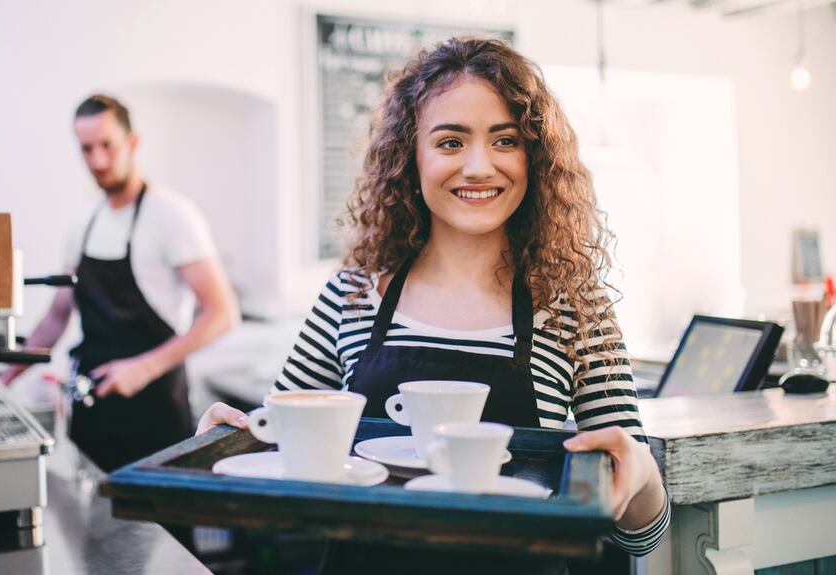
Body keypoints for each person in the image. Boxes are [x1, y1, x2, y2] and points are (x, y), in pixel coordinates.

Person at [199, 37, 668, 574]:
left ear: (533, 156)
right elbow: (280, 455)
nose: (478, 166)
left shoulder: (575, 306)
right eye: (450, 142)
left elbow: (642, 534)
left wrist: (643, 476)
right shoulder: (351, 294)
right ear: (409, 156)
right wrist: (225, 443)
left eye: (505, 140)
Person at [3, 94, 240, 474]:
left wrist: (142, 369)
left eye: (107, 146)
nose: (97, 160)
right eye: (86, 149)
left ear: (132, 142)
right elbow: (57, 316)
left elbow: (222, 313)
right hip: (92, 416)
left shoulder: (172, 216)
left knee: (158, 532)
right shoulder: (82, 224)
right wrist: (5, 378)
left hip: (156, 414)